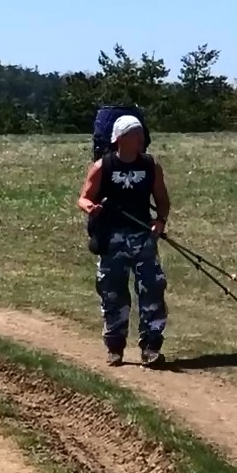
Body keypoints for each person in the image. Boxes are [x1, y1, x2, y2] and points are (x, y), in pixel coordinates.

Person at [77, 114, 170, 367]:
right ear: (120, 139)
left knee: (152, 289)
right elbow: (84, 197)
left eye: (141, 134)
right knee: (113, 292)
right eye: (135, 134)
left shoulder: (151, 166)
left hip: (143, 238)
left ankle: (151, 346)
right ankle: (115, 346)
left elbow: (162, 199)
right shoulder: (102, 167)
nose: (141, 139)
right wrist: (91, 208)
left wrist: (159, 221)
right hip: (112, 239)